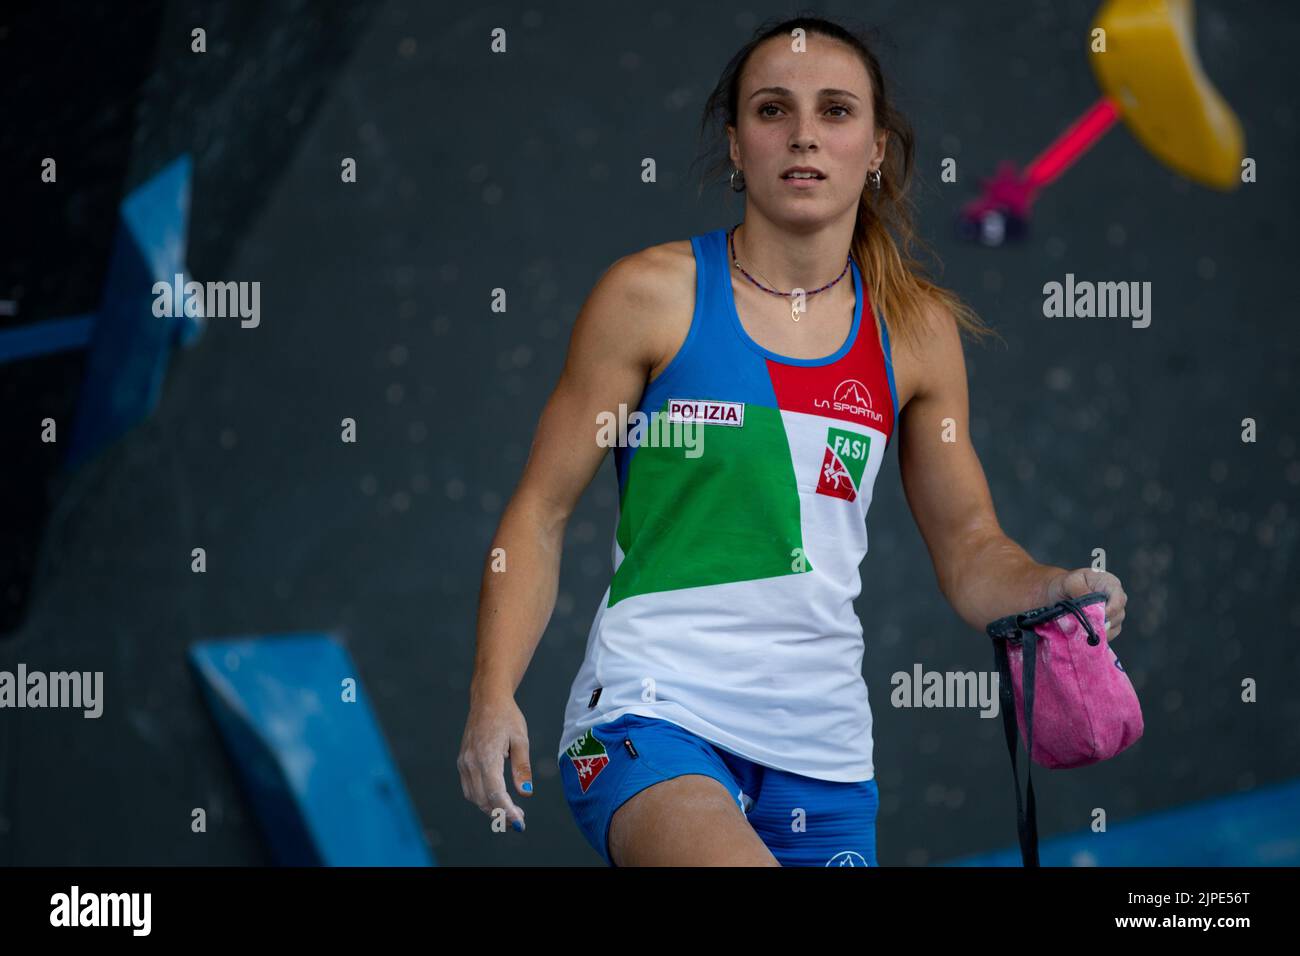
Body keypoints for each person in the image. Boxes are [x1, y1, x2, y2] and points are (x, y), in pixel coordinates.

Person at [457, 14, 1127, 866]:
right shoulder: (649, 296)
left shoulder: (914, 331)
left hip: (825, 755)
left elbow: (969, 547)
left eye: (836, 111)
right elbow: (539, 515)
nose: (804, 133)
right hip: (647, 721)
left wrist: (1055, 588)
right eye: (772, 110)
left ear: (877, 148)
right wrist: (492, 696)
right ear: (735, 145)